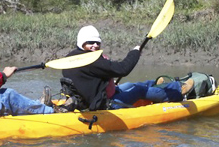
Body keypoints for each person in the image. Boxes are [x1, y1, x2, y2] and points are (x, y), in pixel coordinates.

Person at [60, 25, 194, 111]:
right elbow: (123, 69)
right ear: (81, 43)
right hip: (106, 105)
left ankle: (156, 85)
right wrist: (135, 52)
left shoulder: (70, 57)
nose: (95, 45)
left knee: (132, 84)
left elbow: (94, 76)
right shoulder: (92, 60)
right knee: (139, 89)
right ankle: (177, 92)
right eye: (90, 42)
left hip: (98, 96)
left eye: (97, 42)